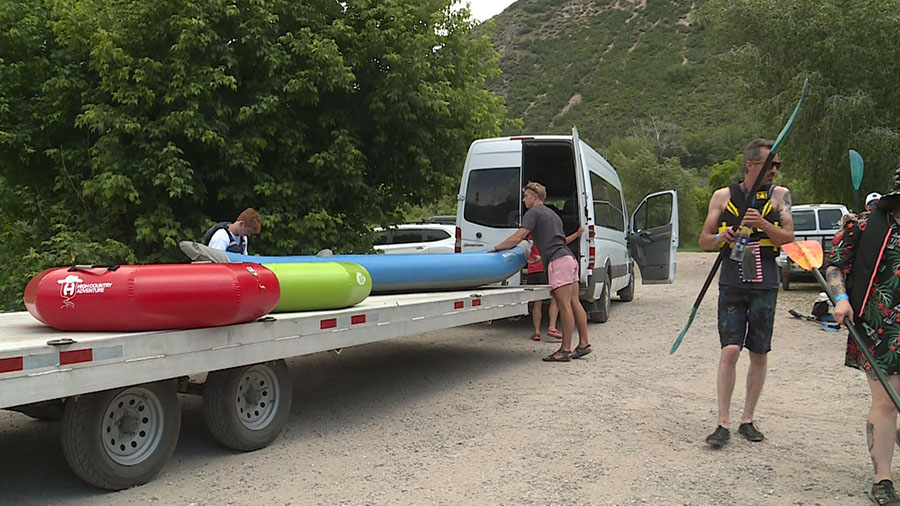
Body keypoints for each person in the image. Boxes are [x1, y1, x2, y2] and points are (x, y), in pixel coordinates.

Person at [698, 139, 794, 447]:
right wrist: (720, 236)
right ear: (752, 165)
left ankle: (747, 420)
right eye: (771, 165)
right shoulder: (723, 196)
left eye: (777, 165)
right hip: (732, 281)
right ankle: (722, 422)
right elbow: (703, 240)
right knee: (730, 350)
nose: (775, 171)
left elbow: (789, 239)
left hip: (765, 283)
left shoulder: (781, 196)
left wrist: (764, 223)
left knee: (759, 352)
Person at [827, 190, 900, 505]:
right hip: (880, 328)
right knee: (887, 401)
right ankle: (882, 478)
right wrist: (840, 298)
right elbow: (834, 265)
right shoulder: (865, 224)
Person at [490, 182, 590, 362]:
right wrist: (541, 258)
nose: (523, 199)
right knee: (574, 302)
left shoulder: (533, 213)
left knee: (564, 305)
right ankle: (583, 344)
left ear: (534, 197)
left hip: (559, 262)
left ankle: (565, 350)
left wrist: (497, 248)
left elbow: (519, 237)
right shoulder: (552, 214)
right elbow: (558, 240)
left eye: (526, 196)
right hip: (569, 259)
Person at [527, 226, 584, 341]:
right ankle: (552, 327)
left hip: (532, 270)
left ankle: (537, 332)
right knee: (556, 298)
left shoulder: (529, 236)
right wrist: (577, 234)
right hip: (544, 268)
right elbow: (562, 243)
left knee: (537, 303)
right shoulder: (548, 236)